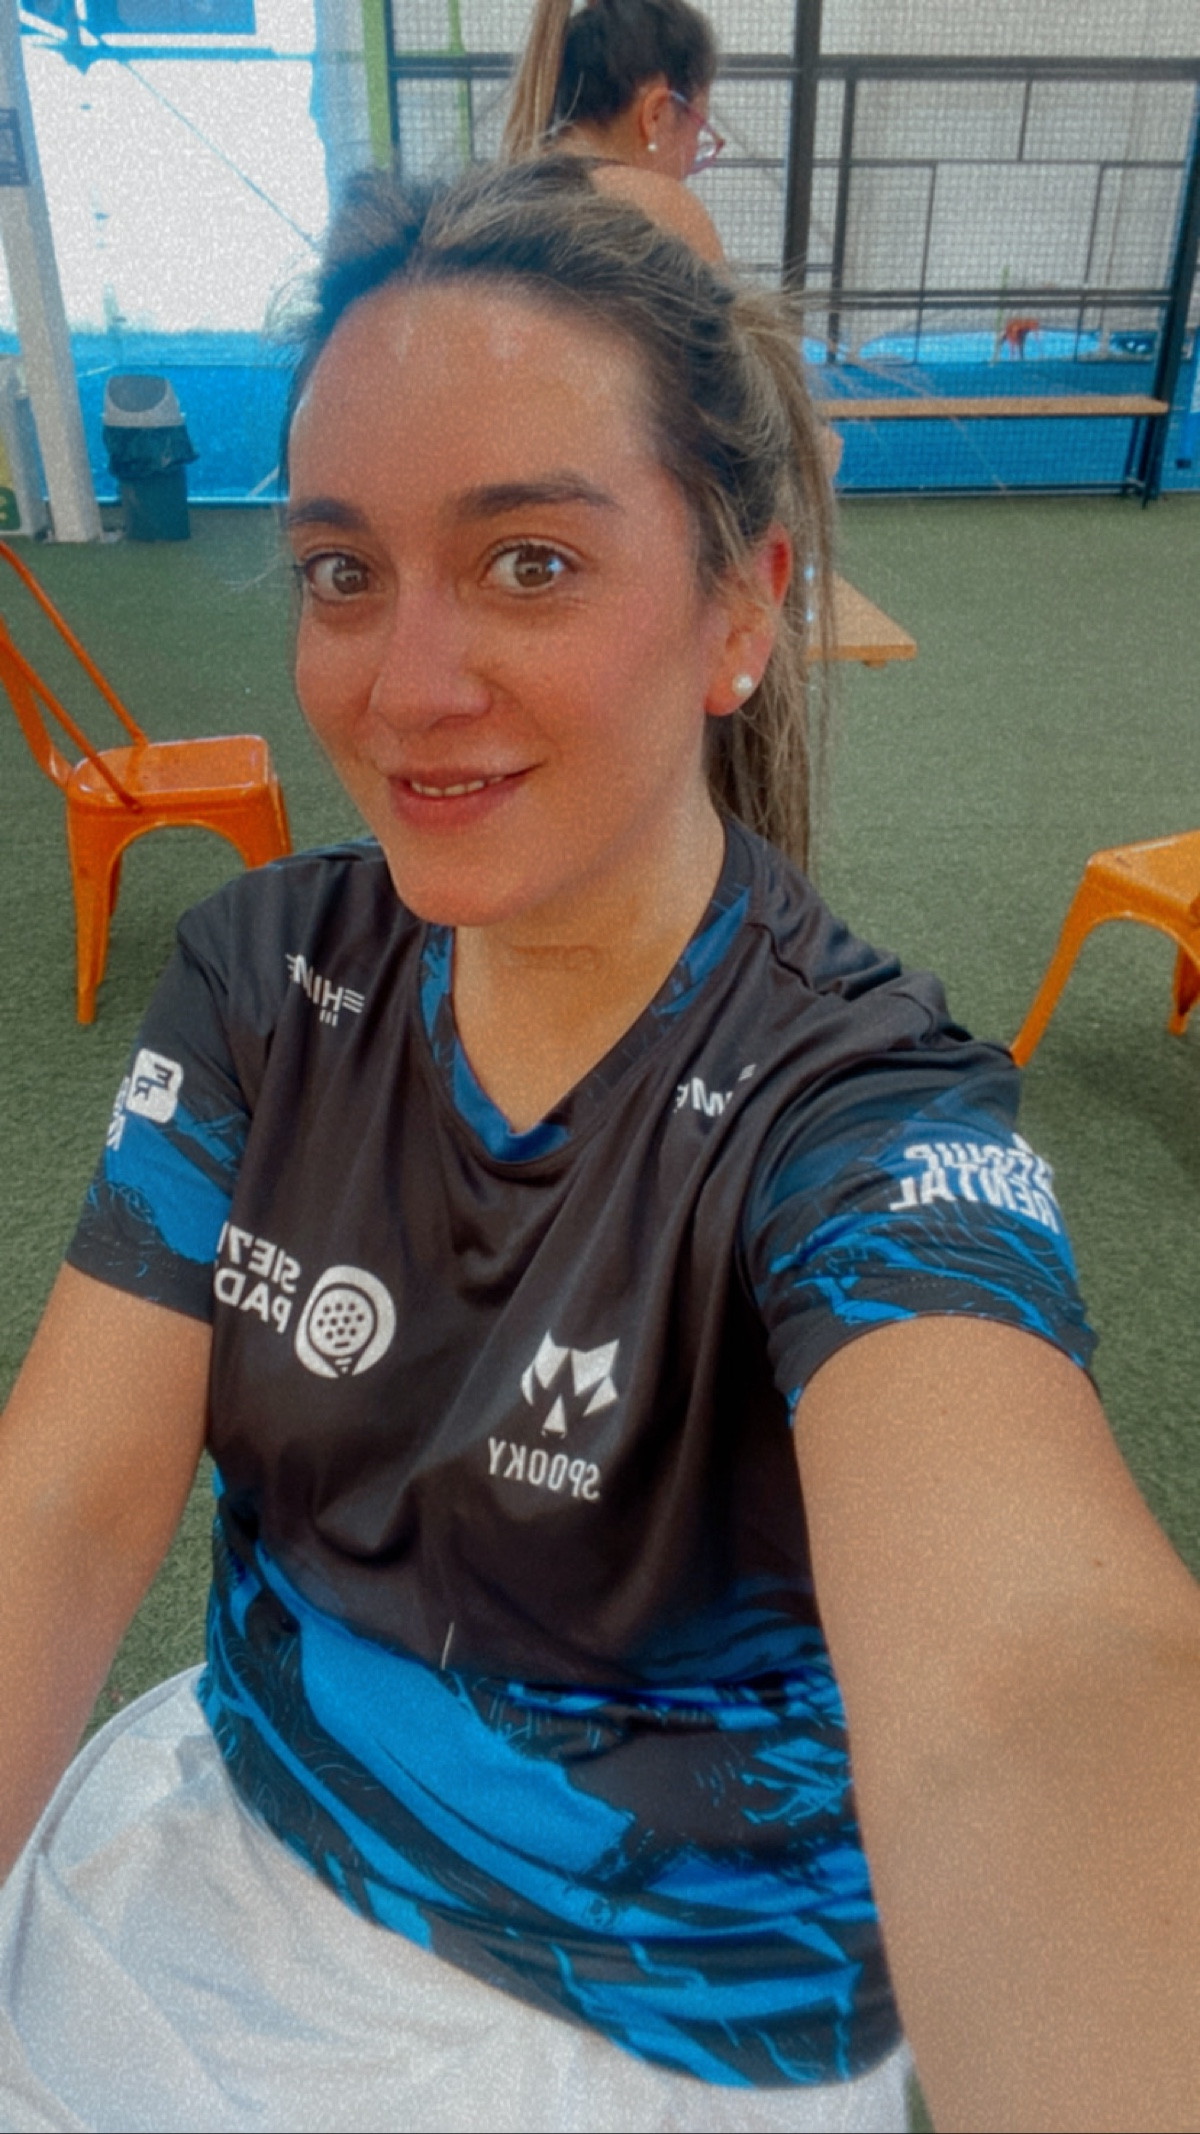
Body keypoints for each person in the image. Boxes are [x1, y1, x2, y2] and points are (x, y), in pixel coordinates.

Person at [2, 156, 1200, 2134]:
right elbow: (60, 1507)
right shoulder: (262, 977)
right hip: (247, 1836)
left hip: (663, 2018)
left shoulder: (862, 1112)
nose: (407, 684)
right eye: (341, 571)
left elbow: (1036, 1685)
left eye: (531, 562)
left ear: (742, 607)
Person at [502, 0, 727, 264]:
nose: (691, 164)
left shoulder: (496, 201)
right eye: (698, 129)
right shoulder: (669, 215)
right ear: (655, 114)